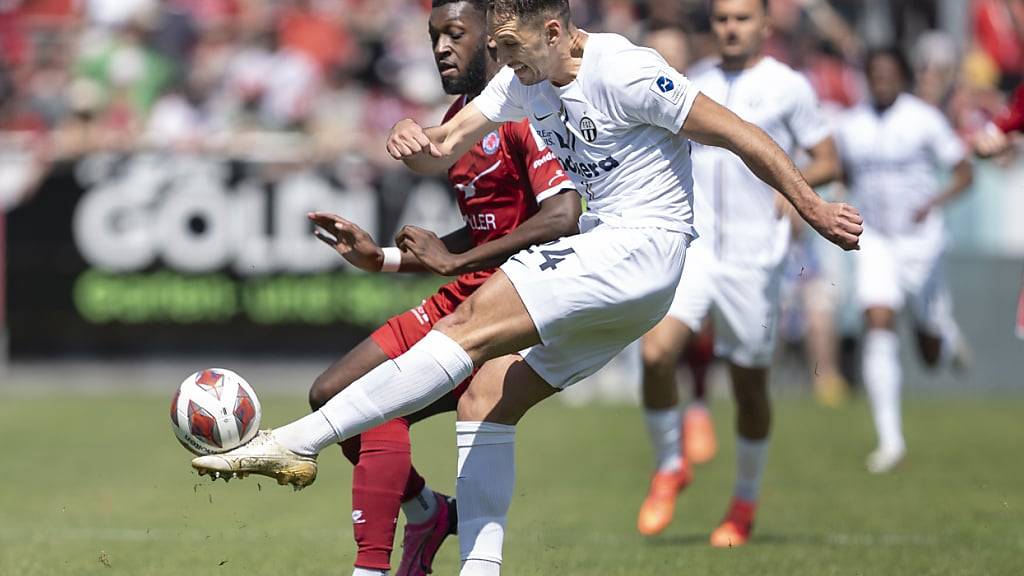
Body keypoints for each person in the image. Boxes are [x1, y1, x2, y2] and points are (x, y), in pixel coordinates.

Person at [192, 1, 862, 573]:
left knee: (467, 326)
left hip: (643, 243)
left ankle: (296, 443)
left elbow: (742, 136)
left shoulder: (627, 70)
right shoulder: (520, 79)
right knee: (486, 396)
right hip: (628, 275)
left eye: (511, 47)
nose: (503, 61)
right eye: (497, 48)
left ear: (554, 32)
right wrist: (409, 137)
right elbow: (444, 143)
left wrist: (813, 207)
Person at [304, 2, 580, 575]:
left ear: (492, 37)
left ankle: (372, 567)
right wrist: (380, 258)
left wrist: (458, 264)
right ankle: (428, 513)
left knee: (379, 406)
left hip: (515, 300)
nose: (441, 47)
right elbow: (486, 228)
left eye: (456, 32)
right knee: (331, 394)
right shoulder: (460, 119)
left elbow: (561, 214)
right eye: (434, 35)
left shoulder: (526, 108)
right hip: (467, 291)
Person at [633, 0, 841, 545]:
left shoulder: (788, 86)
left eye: (742, 18)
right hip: (694, 247)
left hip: (755, 259)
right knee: (655, 353)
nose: (730, 27)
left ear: (765, 25)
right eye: (722, 18)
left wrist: (791, 189)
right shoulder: (689, 82)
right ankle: (670, 464)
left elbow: (828, 158)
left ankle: (743, 504)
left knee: (750, 389)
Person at [835, 47, 973, 475]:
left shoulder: (924, 119)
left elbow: (965, 171)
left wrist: (934, 201)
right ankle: (890, 440)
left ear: (902, 77)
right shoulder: (850, 126)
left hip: (921, 243)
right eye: (874, 74)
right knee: (877, 318)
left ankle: (945, 337)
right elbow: (838, 171)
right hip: (874, 239)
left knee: (929, 351)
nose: (881, 82)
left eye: (889, 74)